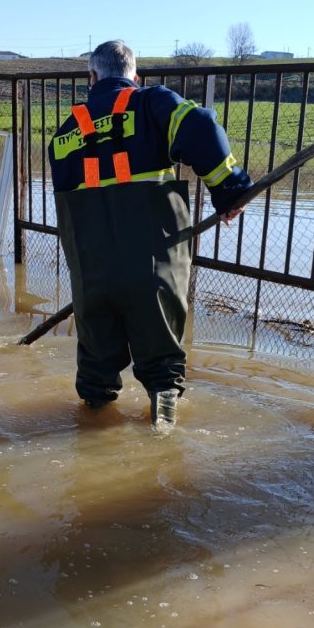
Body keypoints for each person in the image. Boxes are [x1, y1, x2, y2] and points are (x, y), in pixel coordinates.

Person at [48, 39, 253, 429]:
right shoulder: (150, 103)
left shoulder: (66, 132)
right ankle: (162, 436)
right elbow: (202, 126)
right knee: (162, 369)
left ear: (92, 77)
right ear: (134, 76)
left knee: (96, 368)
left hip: (92, 277)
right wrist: (229, 189)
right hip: (153, 266)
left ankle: (90, 434)